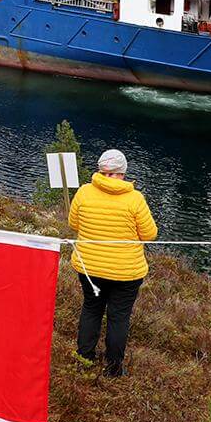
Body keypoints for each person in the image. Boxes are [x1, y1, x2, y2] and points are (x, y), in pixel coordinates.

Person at [69, 149, 157, 377]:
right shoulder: (135, 199)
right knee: (118, 317)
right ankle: (113, 368)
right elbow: (149, 234)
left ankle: (84, 359)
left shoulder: (84, 192)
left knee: (91, 309)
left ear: (101, 170)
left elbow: (73, 223)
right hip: (126, 272)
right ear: (122, 173)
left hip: (90, 267)